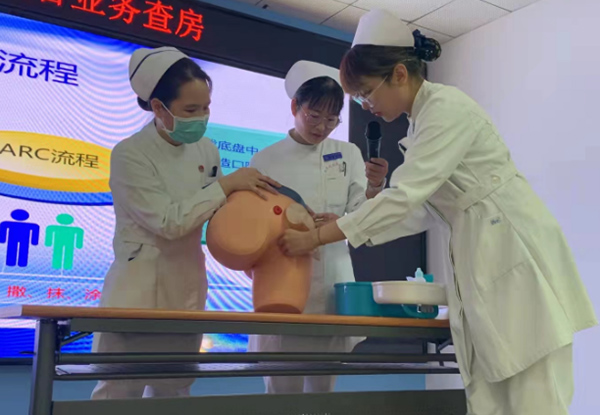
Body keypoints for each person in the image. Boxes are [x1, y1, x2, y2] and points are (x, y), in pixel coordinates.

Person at [278, 10, 597, 414]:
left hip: (513, 256)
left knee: (534, 399)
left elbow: (406, 197)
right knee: (491, 397)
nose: (366, 105)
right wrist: (345, 224)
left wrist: (321, 235)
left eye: (366, 93)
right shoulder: (419, 124)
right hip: (481, 260)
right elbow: (420, 210)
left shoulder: (446, 108)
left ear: (398, 74)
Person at [91, 46, 279, 400]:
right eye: (191, 110)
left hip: (186, 285)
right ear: (158, 107)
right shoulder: (130, 154)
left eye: (206, 107)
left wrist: (252, 247)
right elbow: (168, 222)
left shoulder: (206, 149)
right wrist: (225, 186)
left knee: (174, 389)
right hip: (138, 291)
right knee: (119, 392)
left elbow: (218, 213)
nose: (202, 117)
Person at [248, 60, 389, 394]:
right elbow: (255, 221)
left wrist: (374, 187)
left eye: (331, 119)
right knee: (283, 387)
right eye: (314, 115)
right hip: (283, 276)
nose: (322, 126)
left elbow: (362, 213)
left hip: (332, 279)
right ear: (295, 107)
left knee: (324, 386)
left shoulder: (348, 153)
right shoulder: (265, 160)